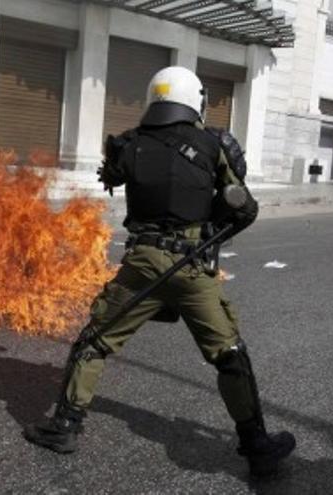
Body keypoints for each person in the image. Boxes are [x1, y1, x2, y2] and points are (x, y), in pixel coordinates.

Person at [23, 66, 296, 477]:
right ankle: (257, 446)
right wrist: (214, 228)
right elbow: (245, 208)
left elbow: (110, 174)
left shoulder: (128, 144)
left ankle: (64, 427)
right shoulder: (213, 143)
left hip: (142, 263)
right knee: (230, 355)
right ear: (194, 99)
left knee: (93, 343)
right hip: (192, 266)